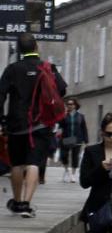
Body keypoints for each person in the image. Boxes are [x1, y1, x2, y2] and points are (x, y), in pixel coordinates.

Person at [0, 33, 67, 218]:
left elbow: (1, 94)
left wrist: (2, 119)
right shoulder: (48, 67)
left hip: (16, 124)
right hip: (41, 123)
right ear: (36, 46)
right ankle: (27, 204)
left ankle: (16, 201)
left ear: (20, 49)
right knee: (34, 163)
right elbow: (61, 89)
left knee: (17, 164)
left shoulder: (12, 69)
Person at [58, 97, 87, 182]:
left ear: (75, 105)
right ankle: (67, 170)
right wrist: (58, 130)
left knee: (75, 157)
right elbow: (60, 126)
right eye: (68, 104)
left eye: (71, 104)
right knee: (63, 155)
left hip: (77, 139)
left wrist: (86, 141)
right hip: (66, 138)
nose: (69, 106)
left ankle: (73, 175)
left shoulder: (81, 117)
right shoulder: (64, 116)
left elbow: (84, 129)